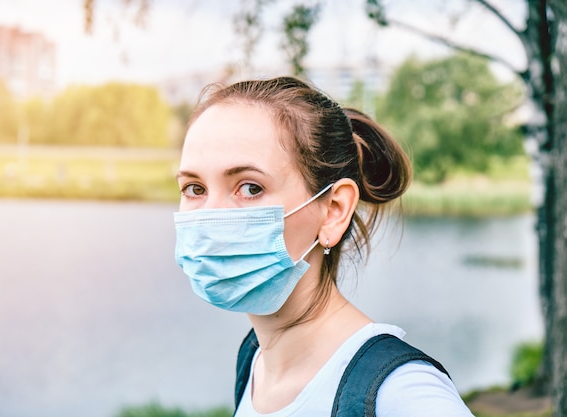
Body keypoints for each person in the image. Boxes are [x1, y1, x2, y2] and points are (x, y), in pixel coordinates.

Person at [173, 76, 474, 417]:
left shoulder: (401, 394)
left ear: (334, 211)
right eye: (194, 189)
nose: (212, 217)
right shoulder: (256, 361)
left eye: (250, 188)